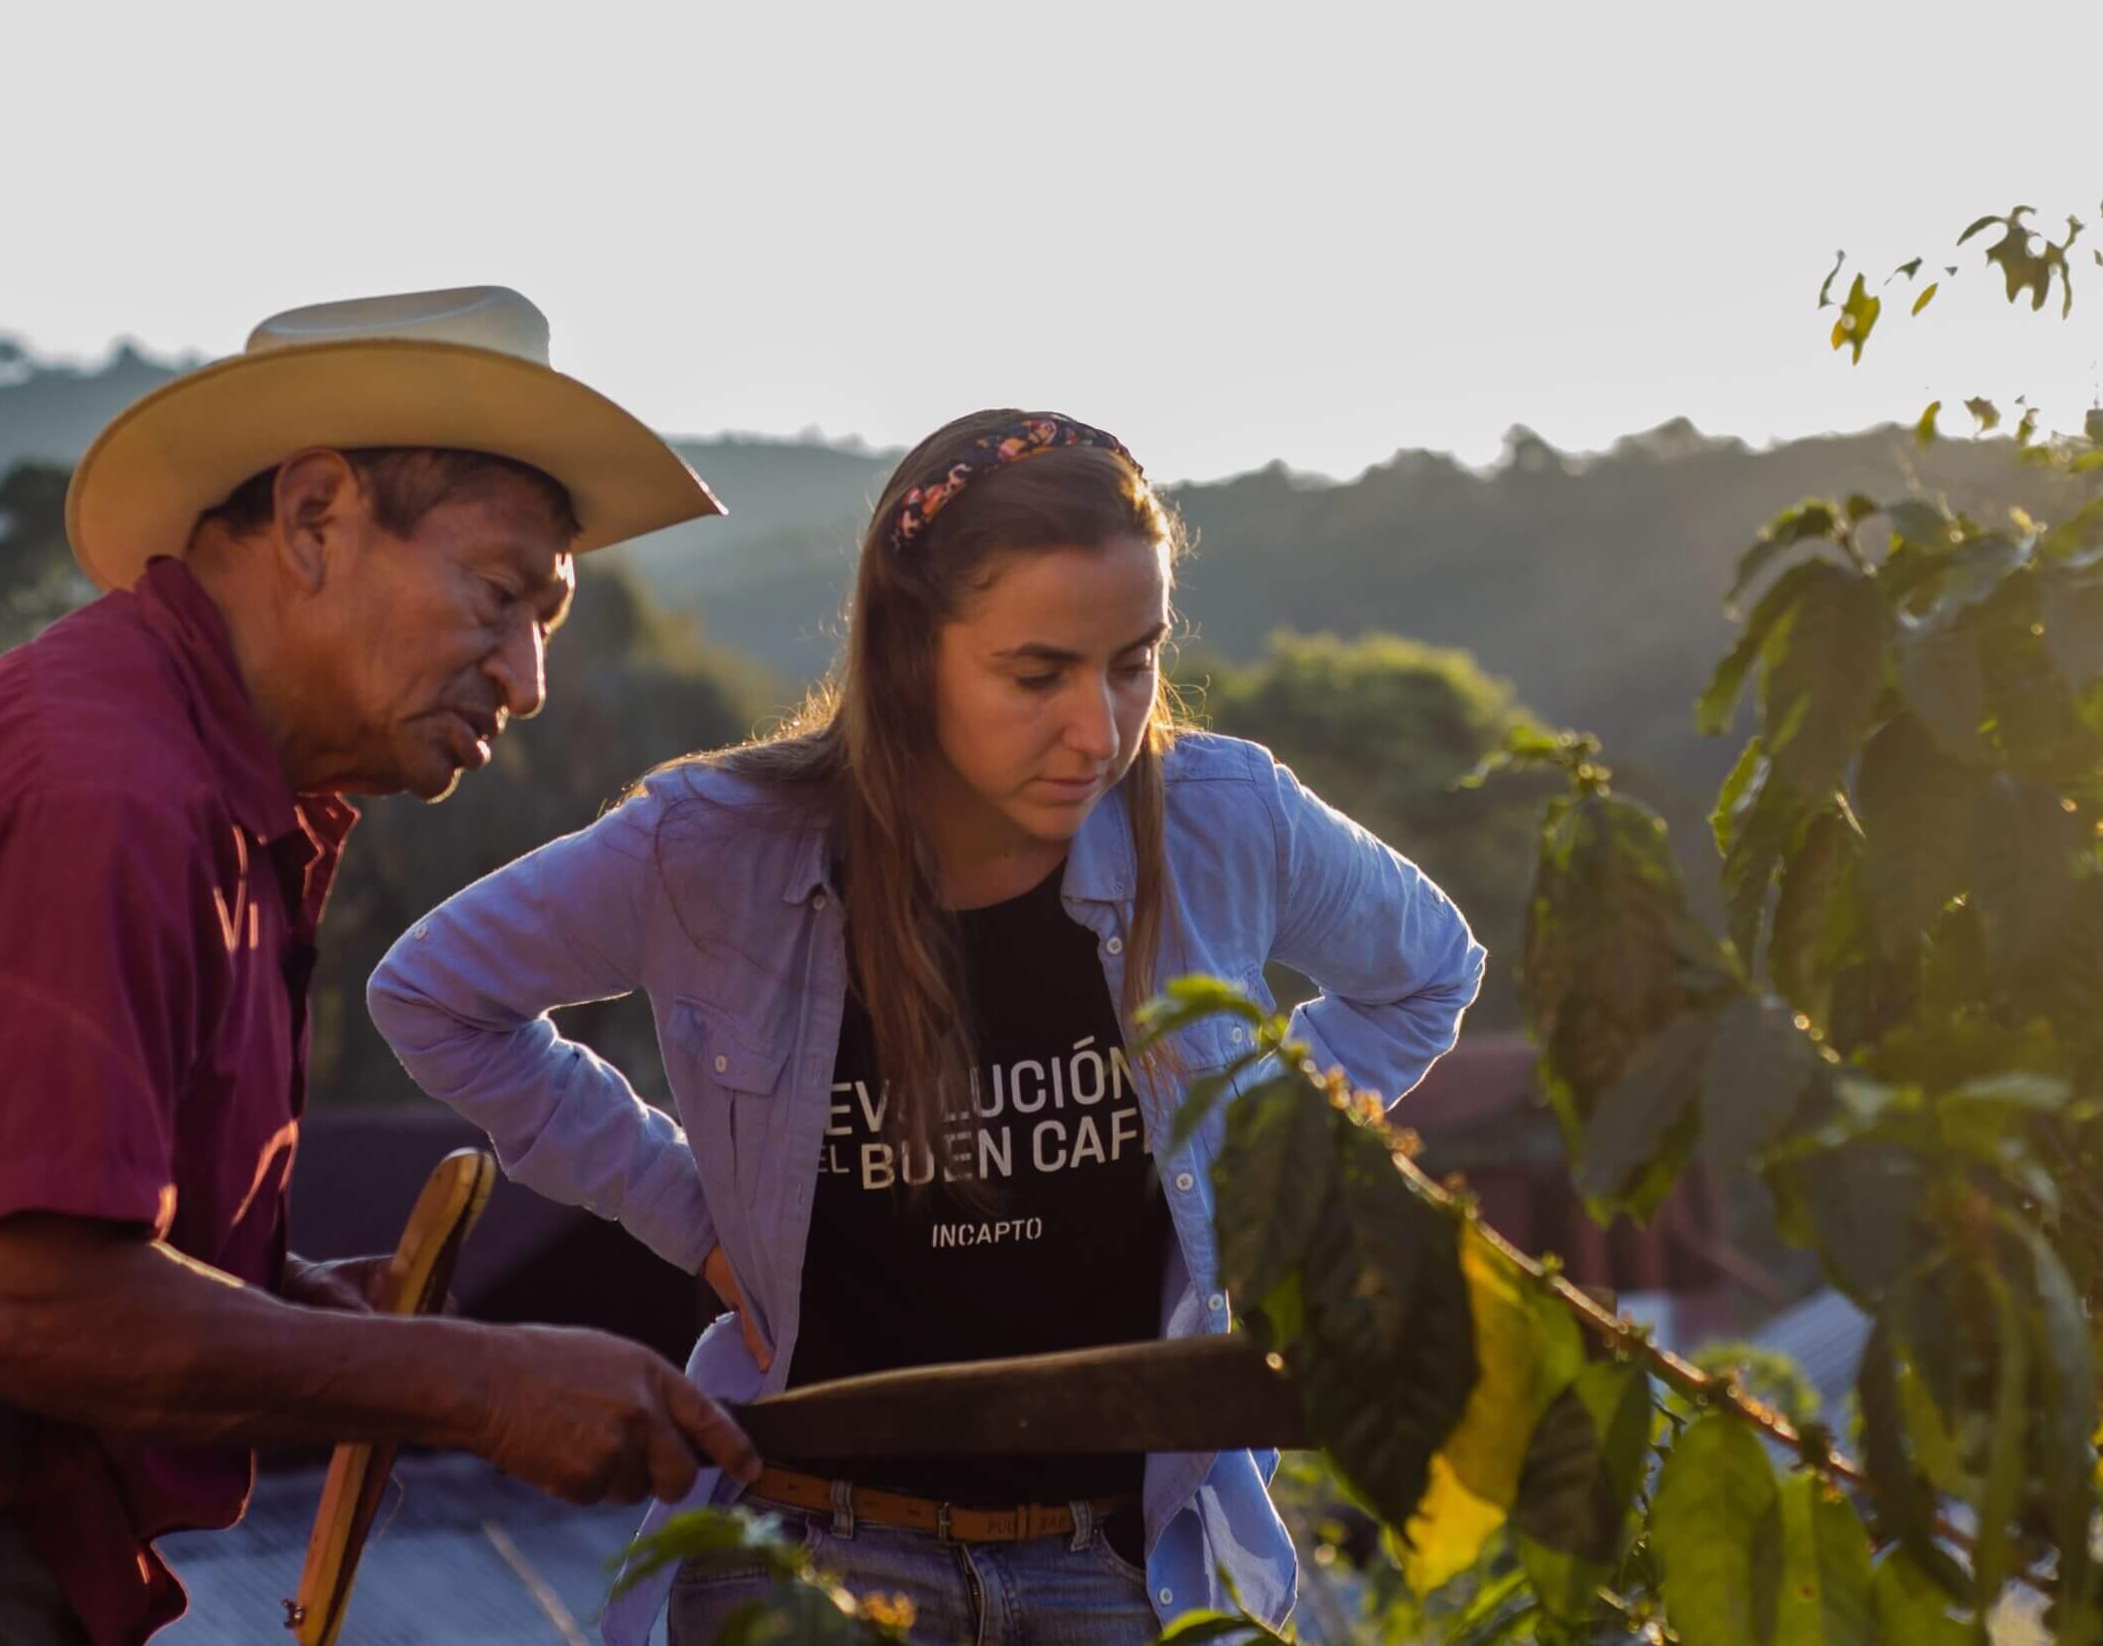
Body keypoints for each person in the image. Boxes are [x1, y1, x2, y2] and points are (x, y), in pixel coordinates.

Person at [0, 286, 760, 1646]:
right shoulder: (104, 792)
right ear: (311, 521)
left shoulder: (220, 797)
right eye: (497, 593)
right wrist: (470, 1382)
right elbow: (22, 1307)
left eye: (551, 618)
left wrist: (302, 1316)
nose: (527, 677)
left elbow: (81, 1231)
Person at [368, 408, 1487, 1645]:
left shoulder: (1226, 820)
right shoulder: (714, 848)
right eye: (1037, 672)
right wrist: (686, 1210)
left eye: (1135, 661)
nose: (1099, 730)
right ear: (909, 651)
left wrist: (1251, 1165)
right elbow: (434, 994)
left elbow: (1425, 972)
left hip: (1111, 1563)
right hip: (803, 1551)